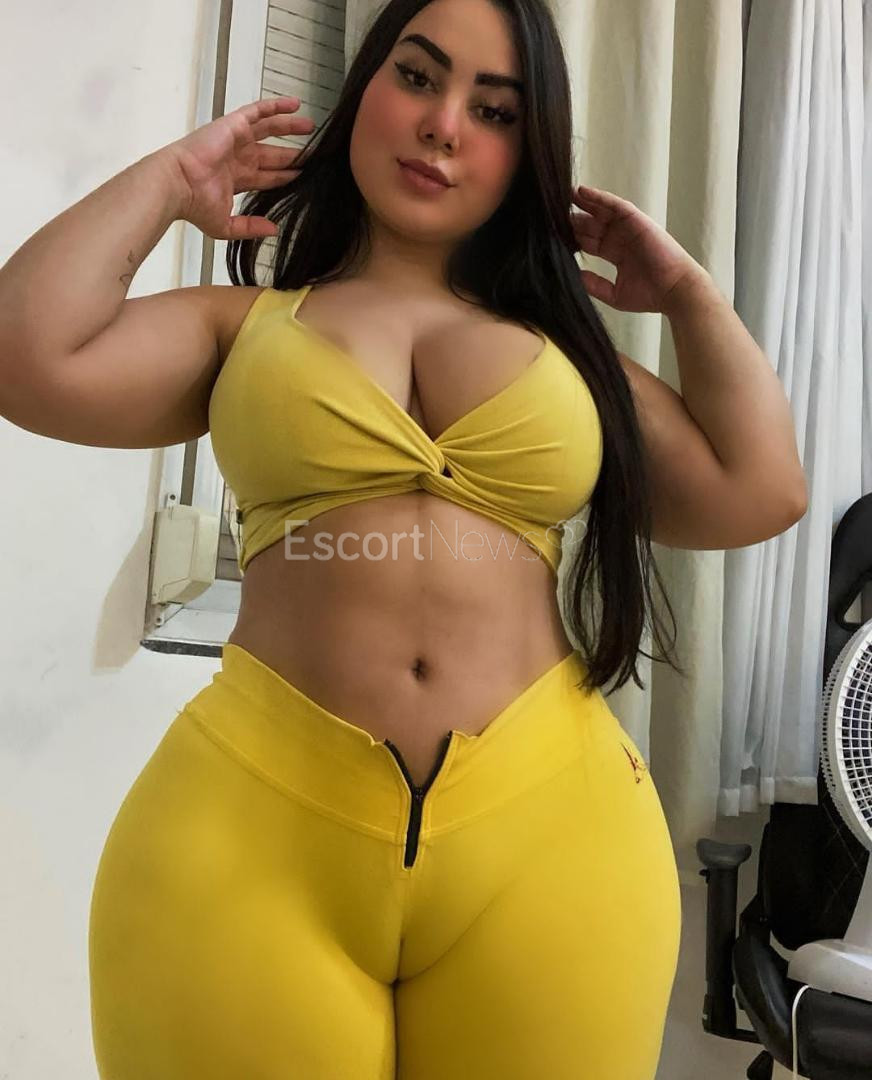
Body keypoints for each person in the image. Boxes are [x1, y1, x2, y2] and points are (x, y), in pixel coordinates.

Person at [0, 0, 808, 1076]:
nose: (442, 125)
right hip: (248, 831)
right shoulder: (243, 326)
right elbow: (25, 352)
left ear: (528, 152)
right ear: (364, 89)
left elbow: (760, 490)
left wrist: (688, 295)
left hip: (552, 836)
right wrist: (167, 182)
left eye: (494, 110)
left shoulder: (573, 361)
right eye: (418, 77)